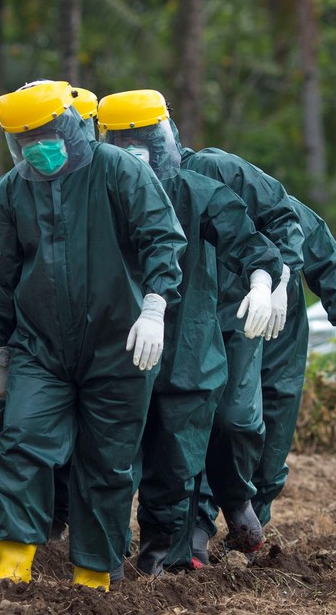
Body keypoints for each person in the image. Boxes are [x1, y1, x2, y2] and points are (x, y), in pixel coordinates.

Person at [0, 80, 186, 591]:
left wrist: (155, 307)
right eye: (24, 142)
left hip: (119, 345)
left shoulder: (119, 170)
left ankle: (94, 574)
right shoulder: (11, 191)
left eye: (45, 135)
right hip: (41, 348)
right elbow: (2, 274)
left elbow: (162, 237)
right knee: (21, 442)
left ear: (69, 126)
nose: (37, 149)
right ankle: (12, 564)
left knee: (107, 461)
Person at [97, 90, 283, 575]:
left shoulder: (195, 191)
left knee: (176, 468)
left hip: (189, 353)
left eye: (145, 140)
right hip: (117, 351)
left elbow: (250, 242)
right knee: (115, 461)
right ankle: (104, 558)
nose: (138, 152)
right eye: (125, 141)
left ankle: (164, 557)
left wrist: (264, 282)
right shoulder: (95, 192)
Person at [165, 113, 306, 561]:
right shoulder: (124, 181)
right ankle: (192, 531)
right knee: (182, 421)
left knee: (237, 419)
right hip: (179, 321)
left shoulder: (215, 170)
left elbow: (291, 218)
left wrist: (278, 279)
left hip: (240, 311)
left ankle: (240, 502)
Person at [249, 197, 336, 529]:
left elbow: (322, 249)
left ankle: (250, 527)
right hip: (217, 329)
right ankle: (195, 528)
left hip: (279, 333)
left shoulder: (264, 198)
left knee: (275, 418)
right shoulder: (193, 195)